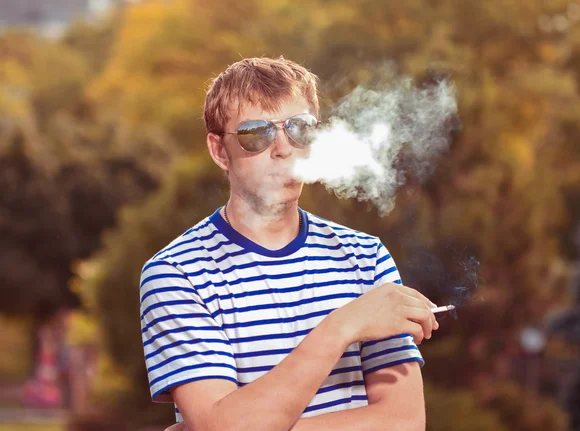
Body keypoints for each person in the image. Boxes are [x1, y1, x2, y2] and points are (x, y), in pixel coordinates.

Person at [139, 56, 440, 431]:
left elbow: (403, 422)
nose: (283, 148)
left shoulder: (365, 256)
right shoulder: (175, 275)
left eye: (299, 129)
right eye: (256, 133)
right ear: (219, 151)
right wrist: (344, 326)